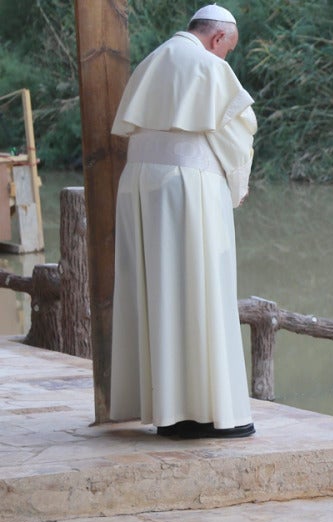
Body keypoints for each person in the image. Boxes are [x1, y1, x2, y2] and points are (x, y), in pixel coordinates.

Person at [108, 4, 257, 439]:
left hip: (139, 184)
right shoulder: (206, 65)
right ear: (217, 40)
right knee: (202, 287)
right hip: (188, 186)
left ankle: (170, 411)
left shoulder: (152, 60)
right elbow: (238, 130)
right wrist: (238, 184)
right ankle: (210, 412)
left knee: (158, 291)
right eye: (227, 50)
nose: (224, 58)